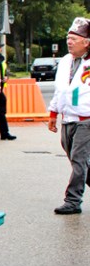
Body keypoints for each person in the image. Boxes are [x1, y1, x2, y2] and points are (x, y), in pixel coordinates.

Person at [47, 17, 90, 215]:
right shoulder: (65, 61)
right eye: (68, 38)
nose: (69, 42)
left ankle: (72, 200)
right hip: (68, 119)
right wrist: (53, 113)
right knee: (76, 160)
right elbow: (60, 90)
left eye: (74, 38)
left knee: (79, 160)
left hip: (86, 120)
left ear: (86, 42)